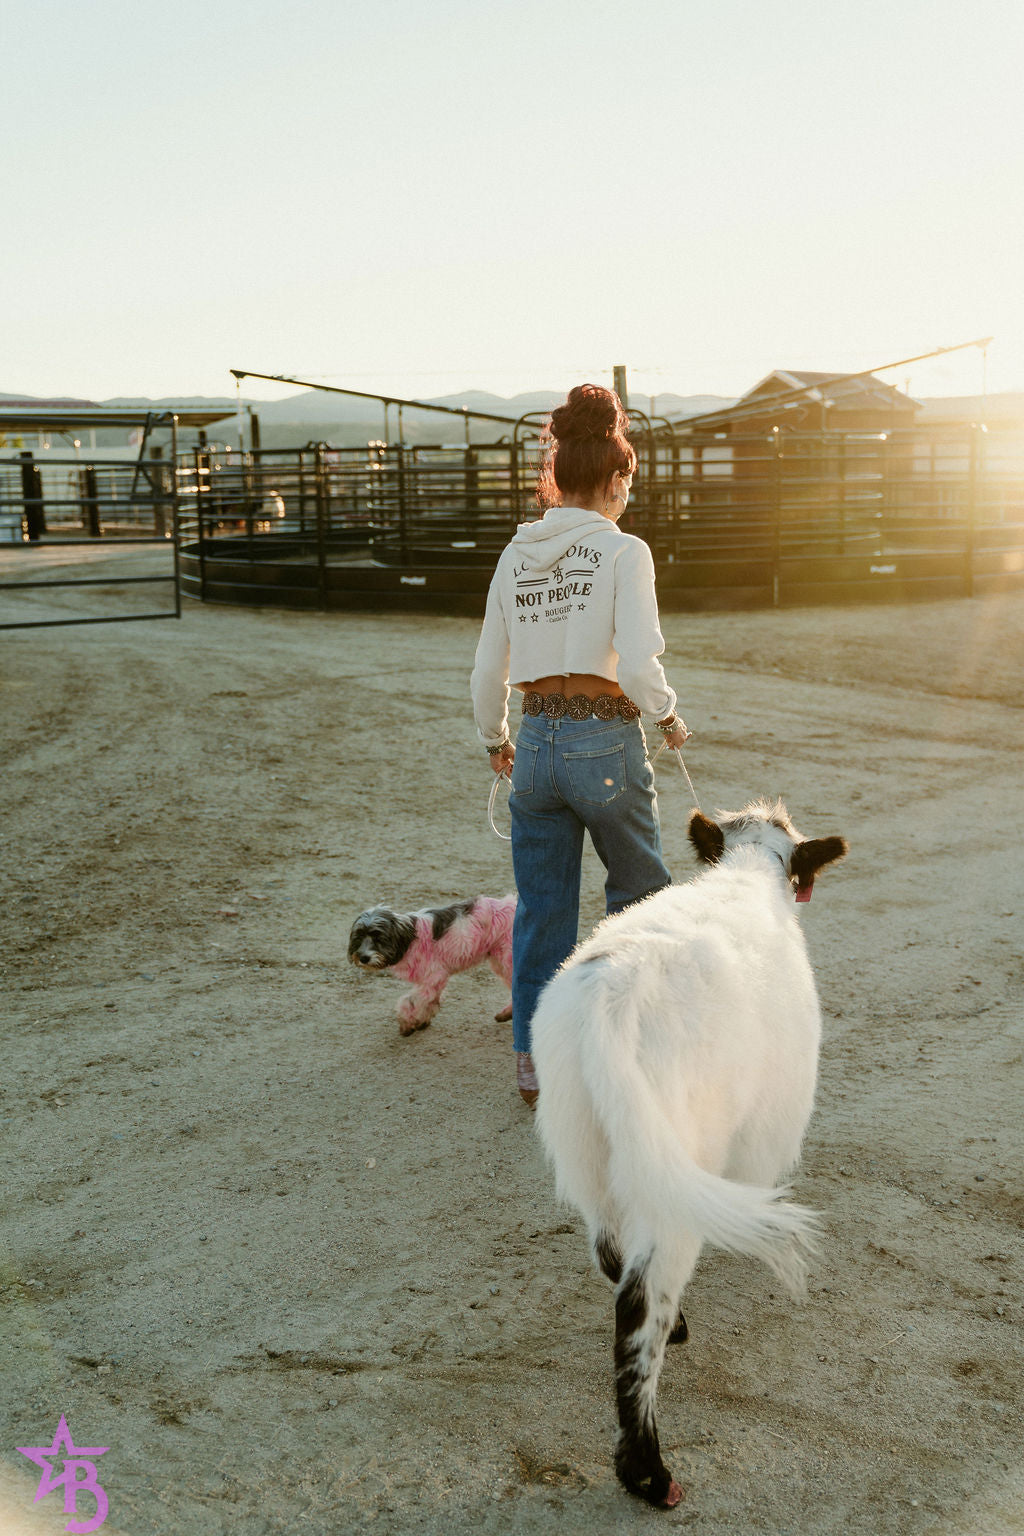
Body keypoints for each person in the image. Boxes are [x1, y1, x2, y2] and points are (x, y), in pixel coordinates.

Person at [470, 383, 690, 1106]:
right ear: (615, 477)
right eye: (627, 478)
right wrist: (666, 715)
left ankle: (535, 1057)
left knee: (542, 909)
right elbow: (636, 658)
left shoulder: (515, 555)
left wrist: (494, 739)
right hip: (603, 739)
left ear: (555, 475)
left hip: (534, 741)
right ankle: (636, 1038)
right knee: (639, 893)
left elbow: (486, 669)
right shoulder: (623, 552)